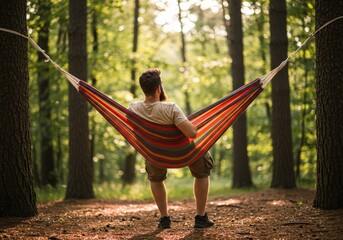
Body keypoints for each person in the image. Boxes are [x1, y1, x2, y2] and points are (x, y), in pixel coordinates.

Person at [128, 68, 214, 229]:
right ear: (159, 88)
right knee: (202, 165)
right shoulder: (171, 109)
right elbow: (192, 133)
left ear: (143, 88)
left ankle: (164, 218)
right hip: (184, 153)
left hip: (156, 155)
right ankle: (201, 217)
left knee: (155, 177)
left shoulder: (133, 109)